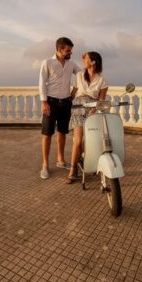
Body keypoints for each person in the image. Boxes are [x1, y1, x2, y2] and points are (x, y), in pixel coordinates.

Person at [38, 37, 80, 179]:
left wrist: (74, 92)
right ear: (59, 49)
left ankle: (60, 160)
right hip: (51, 102)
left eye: (71, 50)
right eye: (68, 50)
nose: (71, 52)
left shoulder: (71, 63)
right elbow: (42, 82)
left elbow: (82, 76)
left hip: (66, 103)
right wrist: (44, 102)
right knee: (47, 134)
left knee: (62, 132)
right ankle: (45, 165)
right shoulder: (47, 62)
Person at [66, 51, 108, 184]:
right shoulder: (79, 75)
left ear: (93, 62)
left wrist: (94, 110)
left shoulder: (102, 81)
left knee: (90, 141)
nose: (84, 61)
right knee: (78, 141)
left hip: (92, 110)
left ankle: (87, 161)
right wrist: (65, 105)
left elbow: (101, 101)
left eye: (87, 59)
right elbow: (73, 93)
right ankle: (73, 170)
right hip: (78, 108)